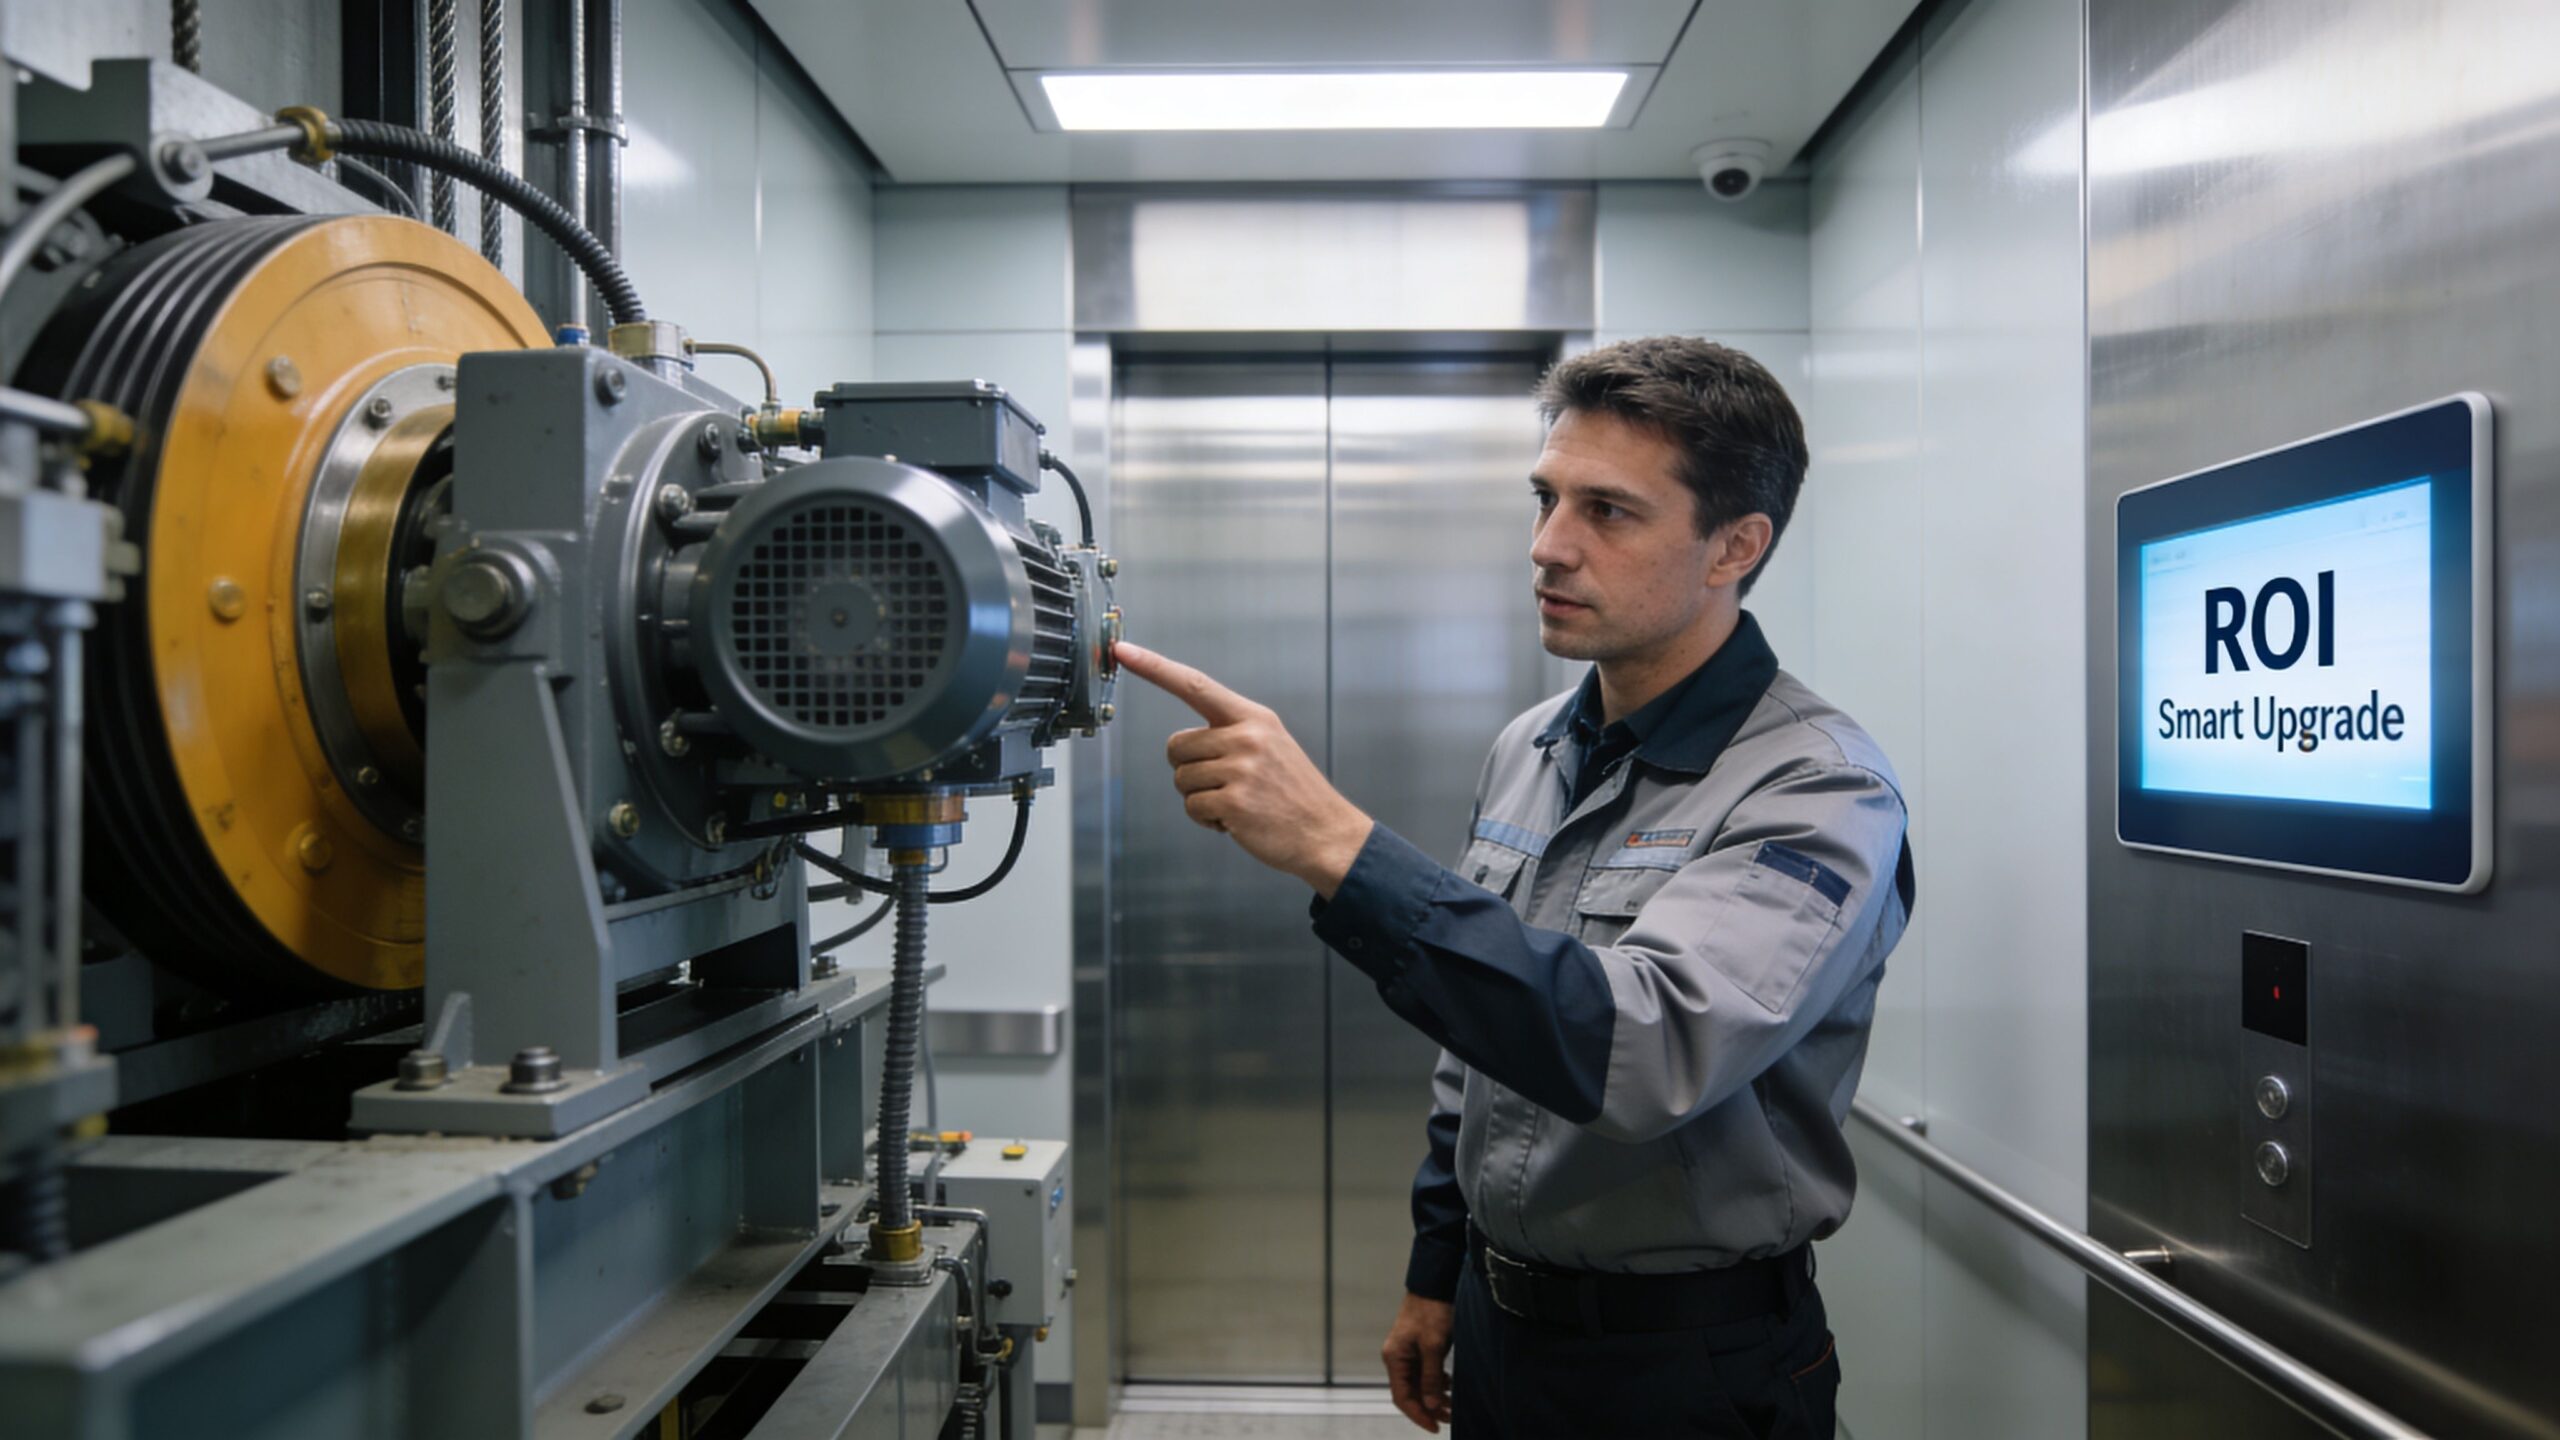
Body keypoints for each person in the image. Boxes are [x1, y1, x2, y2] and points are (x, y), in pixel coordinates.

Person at [1113, 335, 1913, 1439]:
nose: (1548, 548)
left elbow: (1643, 1050)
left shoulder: (1814, 787)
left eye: (1608, 513)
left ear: (1734, 544)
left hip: (1686, 1369)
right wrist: (1437, 1268)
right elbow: (1480, 1054)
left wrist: (1340, 846)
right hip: (1501, 1331)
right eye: (1544, 500)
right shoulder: (1530, 746)